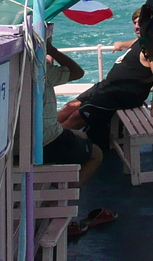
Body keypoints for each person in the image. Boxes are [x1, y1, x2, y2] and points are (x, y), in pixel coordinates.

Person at [56, 8, 153, 149]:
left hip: (121, 95)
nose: (136, 26)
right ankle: (43, 134)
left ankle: (50, 144)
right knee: (69, 107)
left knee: (77, 116)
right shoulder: (141, 41)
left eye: (140, 23)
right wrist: (121, 44)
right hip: (107, 87)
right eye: (135, 22)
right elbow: (132, 43)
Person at [42, 29, 103, 186]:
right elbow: (77, 72)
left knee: (81, 136)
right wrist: (51, 50)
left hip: (15, 145)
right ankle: (59, 197)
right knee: (96, 154)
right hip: (44, 142)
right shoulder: (41, 72)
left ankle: (58, 185)